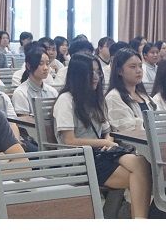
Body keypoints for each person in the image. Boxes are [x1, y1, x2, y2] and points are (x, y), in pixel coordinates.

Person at [52, 53, 152, 219]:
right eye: (90, 72)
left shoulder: (96, 99)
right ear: (78, 75)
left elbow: (107, 131)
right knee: (141, 177)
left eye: (98, 72)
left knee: (141, 162)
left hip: (101, 154)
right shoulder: (66, 100)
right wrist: (104, 143)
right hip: (80, 158)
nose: (96, 76)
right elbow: (69, 140)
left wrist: (107, 142)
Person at [105, 48, 155, 132]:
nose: (139, 71)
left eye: (140, 66)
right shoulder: (113, 97)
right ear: (119, 71)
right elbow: (126, 128)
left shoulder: (143, 95)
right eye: (133, 67)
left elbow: (159, 120)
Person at [12, 46, 58, 116]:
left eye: (47, 63)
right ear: (28, 66)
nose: (46, 68)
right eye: (41, 64)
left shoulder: (52, 91)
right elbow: (24, 121)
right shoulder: (21, 93)